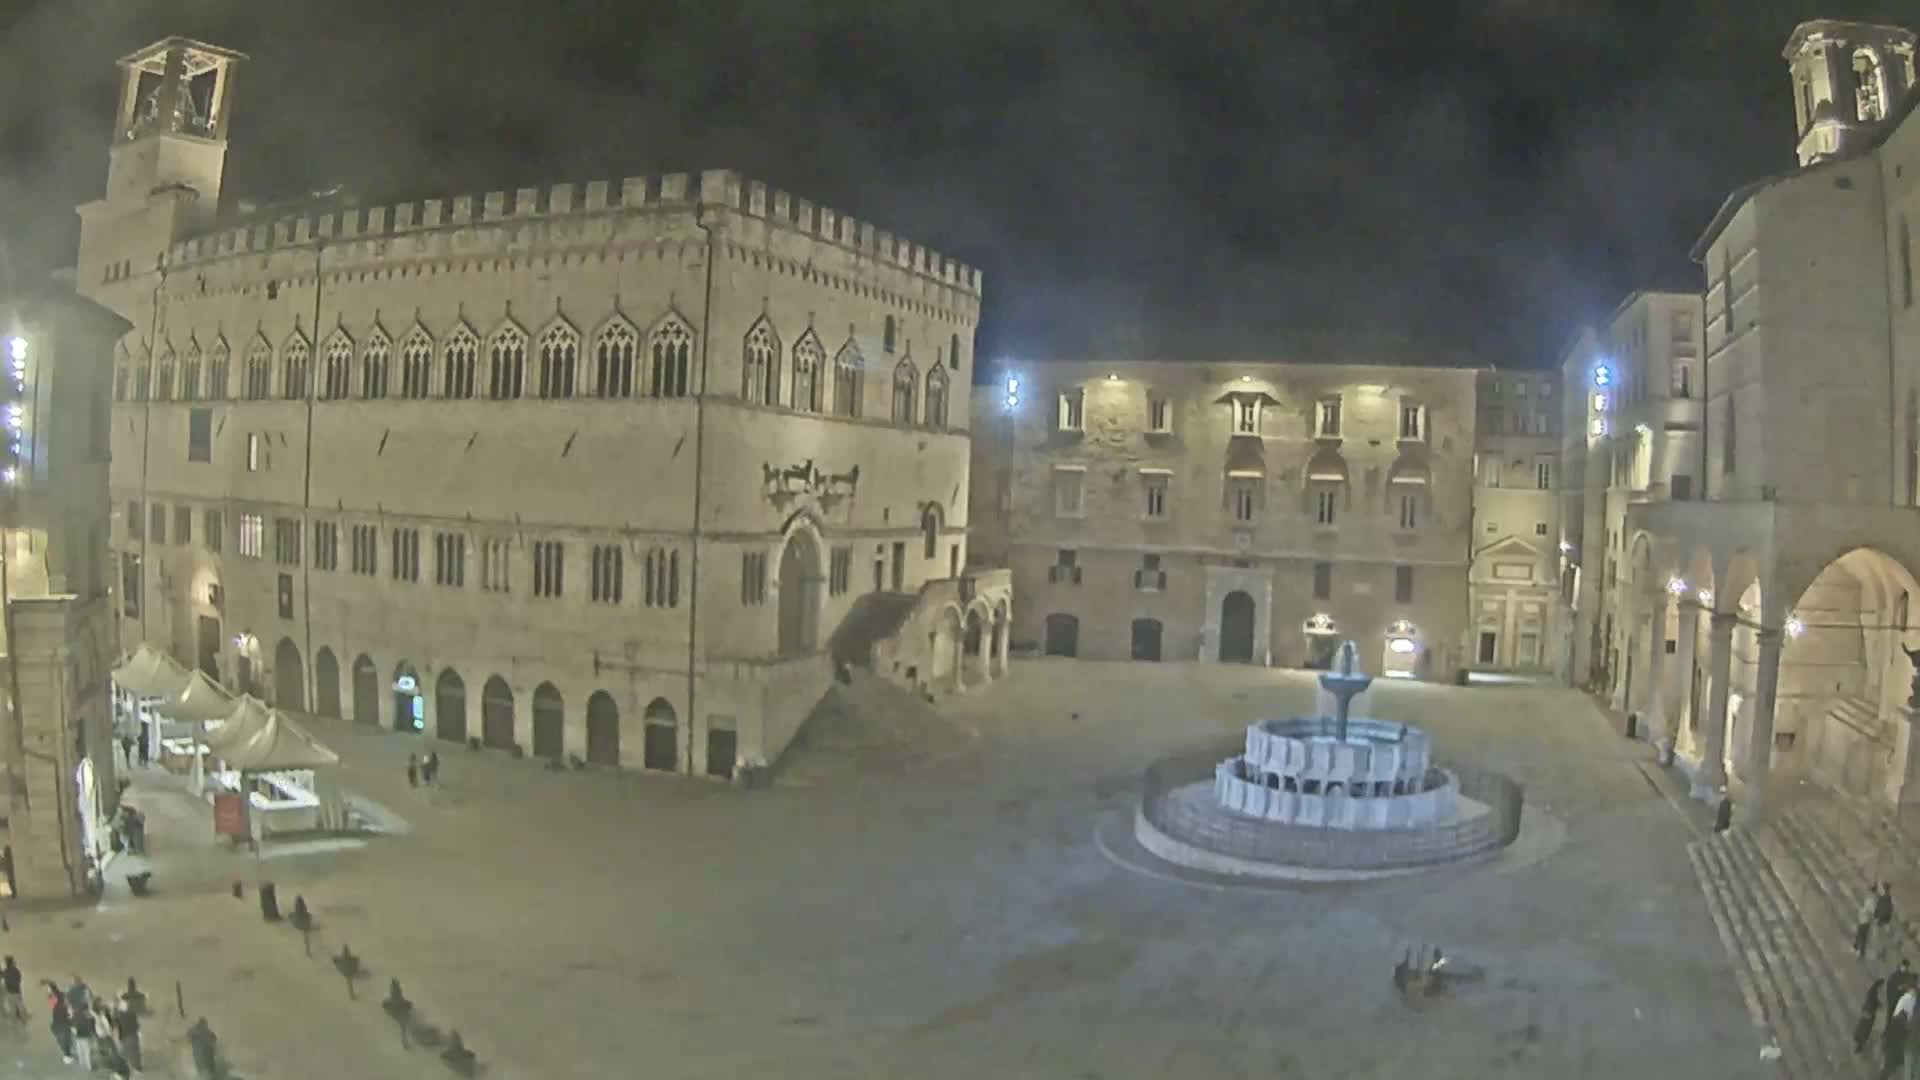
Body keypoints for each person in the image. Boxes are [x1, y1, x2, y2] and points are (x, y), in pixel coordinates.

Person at [114, 991, 142, 1072]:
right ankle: (136, 1066)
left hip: (125, 1034)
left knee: (126, 1051)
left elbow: (116, 1022)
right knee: (133, 1050)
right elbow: (135, 1022)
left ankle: (132, 1066)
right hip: (129, 1033)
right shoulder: (129, 1009)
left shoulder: (120, 1011)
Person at [69, 992, 95, 1071]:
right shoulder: (89, 1017)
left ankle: (82, 1062)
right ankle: (89, 1066)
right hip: (86, 1036)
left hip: (78, 1036)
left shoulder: (75, 1015)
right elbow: (92, 1026)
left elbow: (71, 1025)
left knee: (80, 1050)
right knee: (87, 1051)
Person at [1862, 977, 1888, 1055]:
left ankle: (1865, 1048)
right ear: (1879, 985)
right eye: (1882, 986)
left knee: (1870, 1032)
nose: (1882, 988)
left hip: (1868, 1013)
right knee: (1871, 1033)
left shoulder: (1873, 991)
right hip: (1869, 1014)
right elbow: (1872, 1002)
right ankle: (1866, 1049)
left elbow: (1874, 1001)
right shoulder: (1873, 992)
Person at [47, 984, 70, 1063]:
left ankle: (67, 1054)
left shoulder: (59, 1005)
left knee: (63, 1040)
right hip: (60, 1024)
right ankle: (67, 1053)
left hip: (60, 1025)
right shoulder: (60, 1002)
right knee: (63, 1040)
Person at [0, 956, 22, 1022]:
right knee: (16, 1007)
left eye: (6, 961)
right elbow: (18, 979)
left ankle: (16, 1020)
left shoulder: (10, 970)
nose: (6, 963)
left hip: (12, 992)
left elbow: (3, 975)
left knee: (14, 1008)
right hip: (15, 991)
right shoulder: (14, 970)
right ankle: (18, 1019)